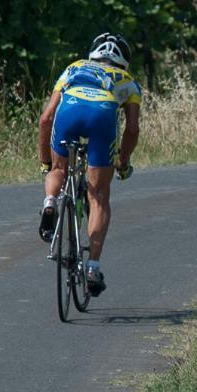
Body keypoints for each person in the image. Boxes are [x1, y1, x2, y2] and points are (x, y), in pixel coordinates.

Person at [37, 33, 141, 296]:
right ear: (123, 60)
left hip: (70, 109)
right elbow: (132, 130)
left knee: (58, 170)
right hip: (103, 115)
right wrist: (123, 162)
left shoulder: (73, 67)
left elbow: (46, 118)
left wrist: (45, 161)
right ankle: (92, 267)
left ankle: (50, 202)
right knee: (99, 196)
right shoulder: (128, 81)